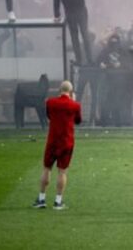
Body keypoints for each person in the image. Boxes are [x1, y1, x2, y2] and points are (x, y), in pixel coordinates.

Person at [32, 80, 81, 210]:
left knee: (47, 168)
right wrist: (73, 101)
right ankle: (58, 202)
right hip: (67, 142)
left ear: (59, 90)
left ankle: (41, 199)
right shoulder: (74, 105)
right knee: (62, 172)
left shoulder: (50, 102)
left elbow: (49, 116)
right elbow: (78, 120)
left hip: (53, 141)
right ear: (70, 92)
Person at [52, 0, 107, 66]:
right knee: (84, 35)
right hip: (79, 11)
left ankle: (80, 60)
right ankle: (89, 60)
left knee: (76, 37)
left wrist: (57, 15)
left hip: (73, 12)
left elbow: (56, 1)